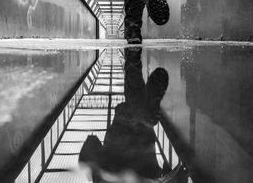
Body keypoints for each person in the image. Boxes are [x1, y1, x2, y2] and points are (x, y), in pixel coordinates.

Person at [78, 48, 189, 182]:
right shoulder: (100, 179)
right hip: (120, 135)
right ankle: (133, 57)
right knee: (133, 108)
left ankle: (146, 114)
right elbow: (92, 142)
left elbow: (171, 173)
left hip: (144, 146)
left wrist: (179, 177)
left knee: (139, 113)